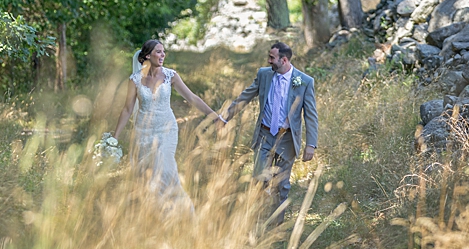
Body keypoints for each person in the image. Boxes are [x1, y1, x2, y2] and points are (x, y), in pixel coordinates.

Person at [112, 39, 226, 213]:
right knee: (148, 176)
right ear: (147, 55)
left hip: (167, 130)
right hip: (143, 133)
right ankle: (159, 214)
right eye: (158, 52)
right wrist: (115, 138)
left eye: (163, 52)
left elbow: (192, 98)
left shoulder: (170, 75)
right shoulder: (135, 80)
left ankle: (184, 211)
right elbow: (127, 109)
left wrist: (215, 117)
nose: (163, 55)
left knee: (165, 168)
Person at [224, 41, 318, 227]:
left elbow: (311, 115)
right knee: (259, 178)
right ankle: (255, 220)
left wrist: (311, 144)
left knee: (281, 184)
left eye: (271, 58)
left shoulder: (304, 82)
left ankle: (276, 226)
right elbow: (246, 95)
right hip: (265, 135)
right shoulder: (264, 75)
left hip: (287, 138)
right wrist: (225, 116)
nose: (268, 61)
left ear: (283, 60)